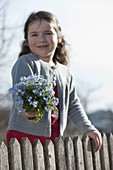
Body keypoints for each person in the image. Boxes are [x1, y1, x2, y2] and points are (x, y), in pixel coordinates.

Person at [7, 11, 102, 151]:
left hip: (55, 139)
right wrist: (27, 108)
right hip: (24, 136)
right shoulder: (26, 63)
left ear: (59, 38)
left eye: (48, 33)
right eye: (34, 34)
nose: (41, 39)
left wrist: (88, 128)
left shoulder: (65, 72)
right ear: (27, 40)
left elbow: (73, 104)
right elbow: (19, 93)